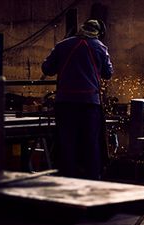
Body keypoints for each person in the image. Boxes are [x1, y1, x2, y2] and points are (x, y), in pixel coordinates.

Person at [41, 19, 113, 179]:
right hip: (89, 105)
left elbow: (47, 68)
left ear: (82, 28)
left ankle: (67, 180)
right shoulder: (100, 47)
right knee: (91, 145)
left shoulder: (62, 45)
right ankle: (93, 180)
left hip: (65, 104)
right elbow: (108, 73)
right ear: (99, 33)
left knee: (66, 144)